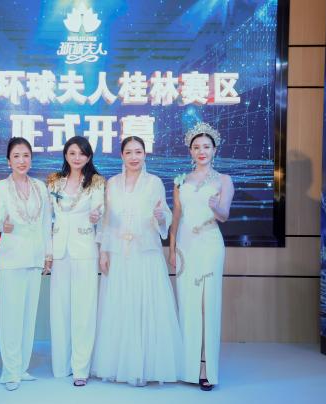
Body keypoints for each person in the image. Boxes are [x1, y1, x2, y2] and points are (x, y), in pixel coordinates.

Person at [91, 136, 182, 386]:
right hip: (118, 253)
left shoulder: (154, 183)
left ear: (145, 155)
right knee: (120, 305)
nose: (134, 157)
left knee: (145, 305)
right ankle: (120, 365)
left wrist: (160, 216)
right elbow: (106, 220)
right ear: (121, 155)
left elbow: (165, 217)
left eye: (138, 152)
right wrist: (103, 252)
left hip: (146, 254)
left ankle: (146, 366)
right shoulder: (111, 184)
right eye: (129, 152)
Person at [169, 122, 234, 391]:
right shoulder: (180, 180)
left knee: (208, 304)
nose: (201, 151)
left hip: (209, 244)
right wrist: (171, 248)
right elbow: (176, 217)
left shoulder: (224, 180)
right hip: (185, 246)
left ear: (214, 150)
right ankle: (188, 366)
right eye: (196, 147)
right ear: (190, 151)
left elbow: (224, 216)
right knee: (188, 303)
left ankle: (207, 367)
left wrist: (215, 206)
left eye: (206, 146)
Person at [0, 137, 52, 391]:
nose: (21, 160)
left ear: (31, 159)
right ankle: (10, 370)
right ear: (8, 161)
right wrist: (2, 224)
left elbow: (46, 223)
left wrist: (48, 255)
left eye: (26, 155)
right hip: (11, 258)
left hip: (34, 258)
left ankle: (21, 367)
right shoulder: (0, 188)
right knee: (11, 316)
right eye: (16, 156)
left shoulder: (40, 187)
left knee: (28, 315)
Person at [47, 136, 105, 387]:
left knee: (84, 310)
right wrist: (48, 252)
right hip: (59, 251)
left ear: (89, 156)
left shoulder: (97, 182)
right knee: (60, 309)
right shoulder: (53, 181)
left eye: (82, 153)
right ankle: (61, 365)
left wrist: (96, 217)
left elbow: (101, 213)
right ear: (66, 155)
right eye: (72, 153)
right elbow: (46, 219)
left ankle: (81, 368)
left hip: (84, 250)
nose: (77, 157)